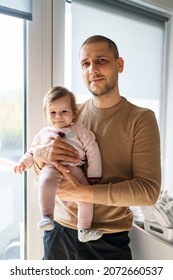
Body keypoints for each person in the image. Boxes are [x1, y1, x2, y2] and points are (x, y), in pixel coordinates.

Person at [33, 35, 161, 260]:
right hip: (58, 233)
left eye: (101, 60)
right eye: (85, 63)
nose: (92, 69)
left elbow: (148, 191)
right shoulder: (70, 114)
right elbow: (41, 169)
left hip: (107, 240)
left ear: (119, 65)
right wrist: (40, 156)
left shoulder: (141, 118)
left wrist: (84, 192)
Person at [14, 86, 103, 242]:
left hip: (74, 169)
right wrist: (24, 162)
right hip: (51, 167)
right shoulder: (43, 133)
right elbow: (33, 151)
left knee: (86, 196)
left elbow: (93, 152)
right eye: (53, 113)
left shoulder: (80, 132)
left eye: (64, 112)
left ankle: (84, 229)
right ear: (46, 114)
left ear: (74, 112)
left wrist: (94, 176)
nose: (58, 117)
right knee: (45, 182)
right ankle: (47, 217)